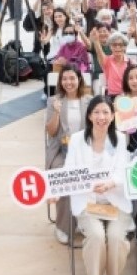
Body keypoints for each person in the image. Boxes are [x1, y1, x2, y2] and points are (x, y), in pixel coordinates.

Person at [66, 96, 132, 275]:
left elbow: (124, 170)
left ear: (113, 116)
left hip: (115, 199)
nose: (101, 117)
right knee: (95, 236)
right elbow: (69, 171)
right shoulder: (76, 140)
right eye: (97, 112)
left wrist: (112, 183)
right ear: (89, 115)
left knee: (115, 238)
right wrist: (87, 185)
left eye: (106, 113)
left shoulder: (120, 139)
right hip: (88, 200)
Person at [47, 68, 92, 244]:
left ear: (79, 79)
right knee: (65, 177)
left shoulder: (89, 101)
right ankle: (63, 226)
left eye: (72, 78)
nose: (68, 82)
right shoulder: (54, 101)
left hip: (85, 151)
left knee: (90, 177)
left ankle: (84, 221)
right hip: (61, 151)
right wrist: (57, 112)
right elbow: (51, 132)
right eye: (64, 79)